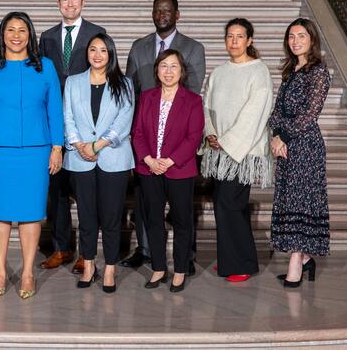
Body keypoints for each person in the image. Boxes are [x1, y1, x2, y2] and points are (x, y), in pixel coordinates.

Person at [0, 11, 64, 299]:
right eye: (10, 30)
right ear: (2, 34)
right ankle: (0, 270)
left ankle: (27, 273)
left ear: (30, 35)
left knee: (30, 214)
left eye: (22, 30)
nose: (16, 35)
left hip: (35, 152)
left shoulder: (44, 67)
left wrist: (57, 147)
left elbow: (55, 110)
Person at [121, 0, 205, 274]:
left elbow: (191, 94)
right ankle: (146, 251)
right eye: (157, 10)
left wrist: (171, 152)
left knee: (181, 212)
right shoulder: (139, 47)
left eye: (167, 10)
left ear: (177, 14)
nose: (162, 14)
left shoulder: (193, 48)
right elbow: (130, 92)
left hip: (177, 141)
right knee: (147, 207)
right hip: (146, 139)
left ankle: (185, 259)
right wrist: (141, 150)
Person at [39, 0, 106, 274]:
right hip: (54, 123)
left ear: (83, 2)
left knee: (85, 194)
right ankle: (62, 247)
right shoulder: (47, 37)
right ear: (57, 4)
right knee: (56, 192)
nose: (69, 4)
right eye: (64, 0)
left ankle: (86, 253)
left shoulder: (96, 34)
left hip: (85, 124)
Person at [201, 18, 273, 283]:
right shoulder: (218, 72)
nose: (234, 41)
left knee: (228, 204)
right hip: (218, 151)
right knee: (228, 205)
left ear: (249, 40)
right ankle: (235, 258)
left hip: (242, 151)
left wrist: (229, 141)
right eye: (229, 36)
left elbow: (256, 111)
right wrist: (210, 132)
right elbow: (206, 105)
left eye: (239, 36)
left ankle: (241, 262)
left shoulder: (258, 70)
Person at [63, 33, 133, 293]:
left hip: (113, 159)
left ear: (111, 54)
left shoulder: (123, 84)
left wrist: (97, 145)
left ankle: (111, 267)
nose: (97, 54)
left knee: (112, 217)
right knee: (87, 216)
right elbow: (67, 117)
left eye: (103, 50)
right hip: (81, 160)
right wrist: (80, 145)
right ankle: (90, 264)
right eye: (93, 49)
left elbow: (124, 121)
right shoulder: (73, 82)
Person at [132, 49, 204, 292]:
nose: (169, 71)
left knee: (183, 221)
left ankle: (180, 270)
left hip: (180, 170)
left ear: (181, 71)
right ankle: (159, 268)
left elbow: (193, 137)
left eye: (174, 66)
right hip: (149, 168)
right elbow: (138, 133)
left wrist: (170, 161)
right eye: (164, 66)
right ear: (157, 70)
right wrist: (149, 159)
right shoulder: (147, 97)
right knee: (153, 219)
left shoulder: (193, 100)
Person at [268, 18, 331, 287]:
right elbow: (276, 111)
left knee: (301, 202)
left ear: (312, 39)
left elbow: (309, 114)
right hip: (285, 145)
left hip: (306, 146)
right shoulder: (290, 70)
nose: (295, 41)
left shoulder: (318, 72)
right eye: (291, 36)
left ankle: (296, 261)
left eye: (301, 36)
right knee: (288, 200)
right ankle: (304, 258)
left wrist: (285, 137)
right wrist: (275, 137)